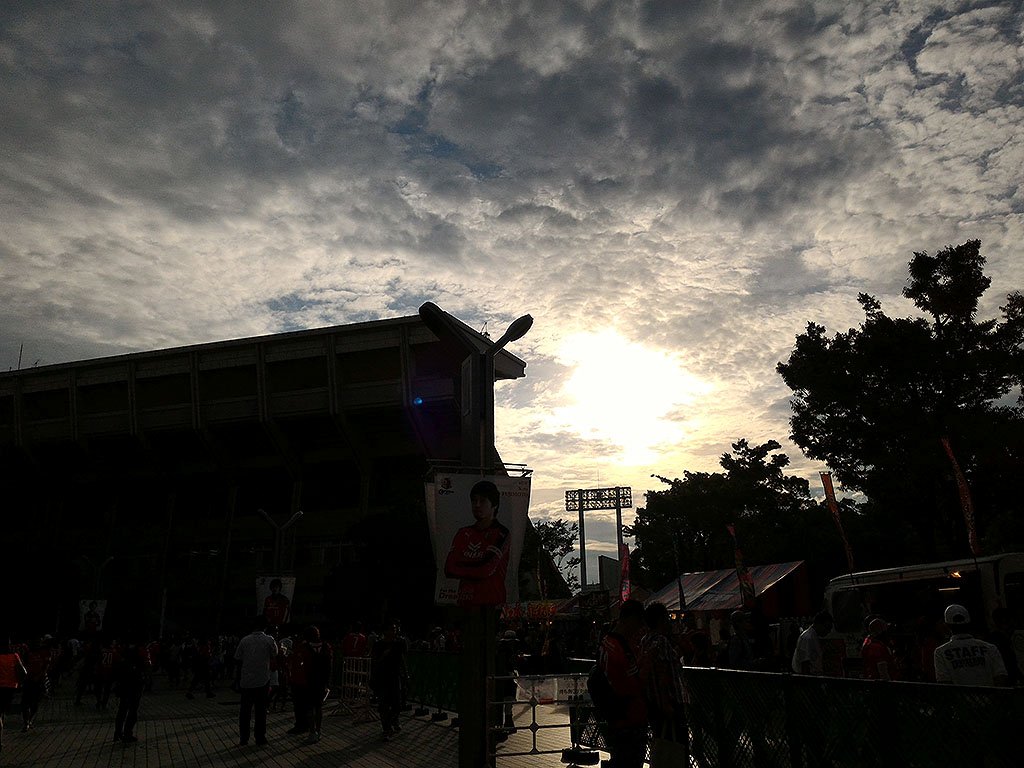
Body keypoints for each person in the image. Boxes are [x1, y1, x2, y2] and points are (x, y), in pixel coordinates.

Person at [597, 598, 648, 768]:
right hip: (629, 718)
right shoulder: (620, 649)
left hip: (616, 717)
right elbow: (632, 684)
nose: (640, 627)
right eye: (639, 622)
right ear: (631, 619)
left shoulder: (607, 642)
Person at [444, 480, 511, 607]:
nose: (477, 505)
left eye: (483, 501)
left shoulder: (502, 533)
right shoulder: (463, 533)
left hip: (492, 604)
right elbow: (449, 568)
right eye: (474, 501)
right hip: (464, 603)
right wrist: (474, 566)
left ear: (494, 505)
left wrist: (462, 565)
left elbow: (486, 569)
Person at [640, 602, 688, 763]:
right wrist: (666, 703)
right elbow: (663, 673)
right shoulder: (661, 641)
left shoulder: (645, 640)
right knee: (676, 743)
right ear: (661, 619)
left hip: (654, 702)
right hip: (669, 702)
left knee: (661, 739)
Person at [934, 604, 1008, 687]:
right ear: (969, 623)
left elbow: (945, 683)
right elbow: (1001, 678)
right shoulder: (990, 648)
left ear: (947, 626)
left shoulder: (940, 652)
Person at [233, 616, 279, 746]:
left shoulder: (245, 640)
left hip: (246, 680)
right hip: (263, 679)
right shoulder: (269, 640)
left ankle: (244, 738)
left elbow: (237, 658)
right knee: (261, 710)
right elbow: (275, 654)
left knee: (245, 711)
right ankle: (260, 737)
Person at [370, 621, 407, 740]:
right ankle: (386, 728)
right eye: (391, 629)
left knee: (398, 704)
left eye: (395, 629)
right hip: (382, 677)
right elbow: (374, 661)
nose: (393, 631)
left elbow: (402, 659)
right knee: (383, 704)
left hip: (395, 676)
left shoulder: (399, 644)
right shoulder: (378, 645)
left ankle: (393, 720)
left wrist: (406, 673)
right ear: (385, 631)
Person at [112, 635, 151, 744]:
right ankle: (127, 733)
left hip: (124, 682)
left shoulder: (123, 649)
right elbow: (147, 665)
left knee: (122, 709)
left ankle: (118, 732)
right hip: (136, 683)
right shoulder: (142, 651)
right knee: (133, 710)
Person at [300, 625, 333, 743]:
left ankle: (312, 731)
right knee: (318, 707)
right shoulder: (326, 647)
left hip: (309, 680)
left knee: (309, 707)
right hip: (322, 680)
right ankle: (318, 731)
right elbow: (329, 665)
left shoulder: (305, 648)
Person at [0, 636, 27, 754]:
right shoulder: (14, 656)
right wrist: (19, 682)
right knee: (2, 712)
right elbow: (23, 672)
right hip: (10, 688)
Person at [20, 636, 51, 732]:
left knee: (35, 703)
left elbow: (46, 666)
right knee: (25, 703)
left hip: (39, 680)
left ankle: (29, 720)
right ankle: (26, 722)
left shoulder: (45, 652)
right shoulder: (27, 653)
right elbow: (23, 665)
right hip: (28, 680)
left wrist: (39, 676)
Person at [791, 611, 833, 675]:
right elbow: (805, 663)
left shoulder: (813, 636)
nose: (828, 631)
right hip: (811, 676)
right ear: (819, 624)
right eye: (827, 628)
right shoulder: (807, 638)